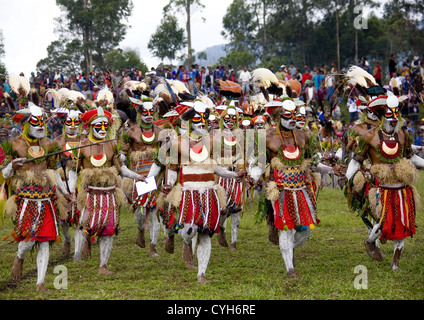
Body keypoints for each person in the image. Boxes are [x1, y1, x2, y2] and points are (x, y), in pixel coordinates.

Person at [154, 100, 246, 283]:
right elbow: (172, 169)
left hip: (209, 192)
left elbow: (216, 168)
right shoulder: (177, 143)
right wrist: (169, 184)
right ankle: (187, 243)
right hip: (188, 192)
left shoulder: (212, 142)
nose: (202, 123)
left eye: (204, 119)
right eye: (198, 119)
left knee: (205, 234)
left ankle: (201, 274)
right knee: (189, 229)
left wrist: (234, 174)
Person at [1, 102, 70, 292]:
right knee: (29, 240)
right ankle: (20, 257)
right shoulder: (14, 144)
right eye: (35, 121)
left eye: (41, 121)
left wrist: (65, 193)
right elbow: (5, 174)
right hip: (26, 201)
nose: (40, 125)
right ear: (25, 124)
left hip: (47, 198)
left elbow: (53, 171)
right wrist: (12, 166)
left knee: (45, 240)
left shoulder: (47, 144)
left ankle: (40, 283)